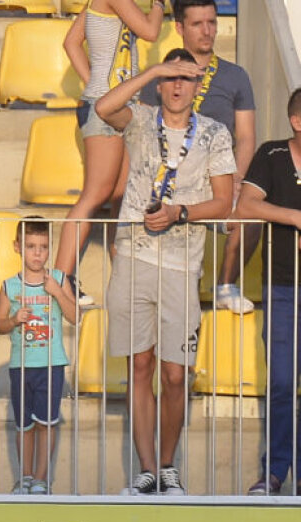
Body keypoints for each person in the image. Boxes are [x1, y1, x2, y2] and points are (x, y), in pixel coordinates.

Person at [95, 49, 234, 495]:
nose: (177, 86)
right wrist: (153, 68)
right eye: (170, 78)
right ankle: (148, 470)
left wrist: (179, 212)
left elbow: (224, 201)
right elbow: (103, 107)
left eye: (185, 79)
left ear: (197, 87)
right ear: (160, 83)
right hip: (134, 257)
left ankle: (170, 466)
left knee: (175, 373)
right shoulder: (140, 118)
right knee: (140, 365)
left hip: (181, 263)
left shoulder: (214, 133)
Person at [139, 0, 258, 314]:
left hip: (218, 186)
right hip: (171, 187)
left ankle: (225, 285)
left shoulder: (235, 76)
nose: (208, 31)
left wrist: (235, 179)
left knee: (252, 216)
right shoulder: (161, 76)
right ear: (179, 28)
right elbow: (146, 137)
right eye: (197, 24)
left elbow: (246, 138)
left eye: (212, 22)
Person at [57, 0, 168, 297]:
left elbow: (71, 43)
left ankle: (123, 279)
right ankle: (60, 277)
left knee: (122, 196)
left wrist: (94, 82)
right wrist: (159, 5)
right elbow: (150, 32)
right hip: (104, 108)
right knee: (97, 194)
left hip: (114, 105)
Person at [234, 89, 301, 495]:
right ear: (298, 122)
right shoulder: (272, 154)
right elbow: (247, 204)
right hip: (281, 287)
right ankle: (275, 472)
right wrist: (294, 216)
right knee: (279, 383)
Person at [0, 218, 78, 495]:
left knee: (47, 422)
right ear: (18, 247)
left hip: (51, 363)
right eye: (31, 246)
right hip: (21, 365)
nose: (37, 253)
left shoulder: (58, 279)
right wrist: (14, 319)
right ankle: (25, 477)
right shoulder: (9, 286)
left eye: (43, 247)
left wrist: (57, 293)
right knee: (24, 425)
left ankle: (42, 478)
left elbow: (75, 316)